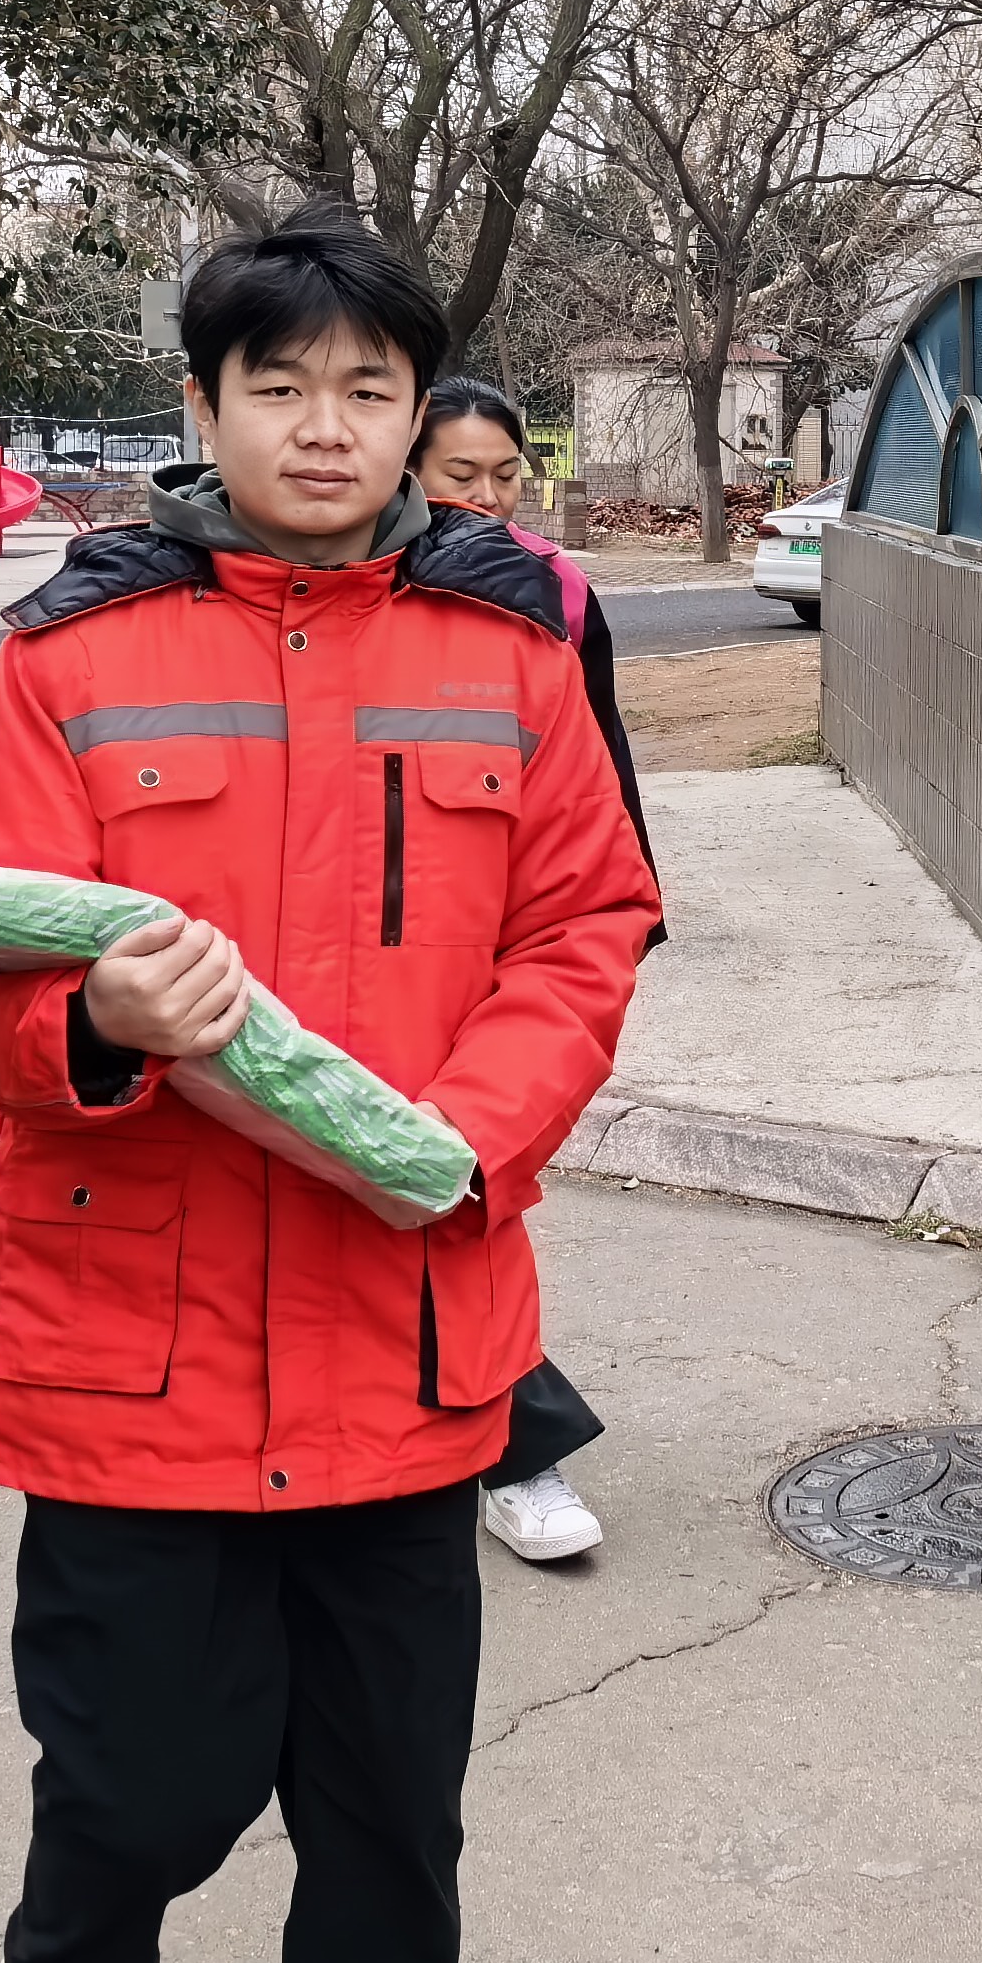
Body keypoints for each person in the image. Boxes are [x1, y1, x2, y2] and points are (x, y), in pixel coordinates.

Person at [0, 206, 659, 1963]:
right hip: (132, 1363)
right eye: (280, 384)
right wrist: (96, 1018)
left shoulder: (513, 647)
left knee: (393, 1831)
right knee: (131, 1803)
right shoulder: (74, 656)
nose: (325, 425)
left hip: (404, 1343)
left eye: (365, 388)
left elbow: (586, 925)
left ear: (419, 414)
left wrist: (460, 1135)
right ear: (203, 405)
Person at [411, 373, 644, 1565]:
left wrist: (627, 909)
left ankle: (509, 1434)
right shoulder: (377, 595)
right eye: (461, 476)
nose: (489, 499)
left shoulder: (554, 587)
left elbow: (601, 755)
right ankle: (507, 1436)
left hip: (522, 936)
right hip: (405, 943)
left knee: (475, 1180)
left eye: (507, 475)